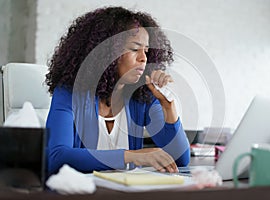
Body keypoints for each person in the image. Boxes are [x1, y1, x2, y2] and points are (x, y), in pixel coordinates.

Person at [45, 6, 190, 176]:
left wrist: (169, 109)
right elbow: (57, 158)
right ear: (106, 52)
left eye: (146, 51)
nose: (143, 58)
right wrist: (131, 156)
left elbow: (180, 159)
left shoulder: (142, 97)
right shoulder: (69, 94)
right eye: (135, 49)